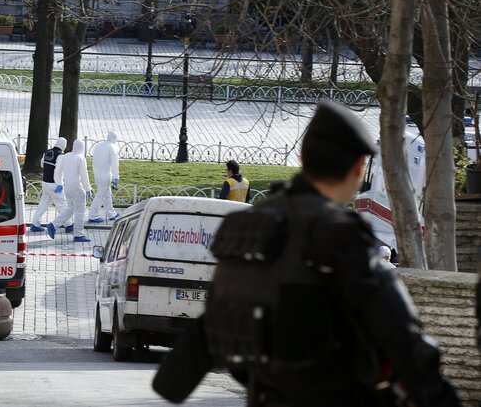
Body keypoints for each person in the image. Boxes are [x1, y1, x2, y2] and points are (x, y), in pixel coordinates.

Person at [153, 102, 460, 407]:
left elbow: (215, 322)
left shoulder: (244, 227)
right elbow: (405, 340)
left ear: (302, 160)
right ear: (358, 167)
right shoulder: (340, 235)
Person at [47, 138, 93, 242]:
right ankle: (78, 234)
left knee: (70, 209)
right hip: (78, 188)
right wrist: (88, 188)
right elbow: (84, 175)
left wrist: (59, 183)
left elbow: (57, 171)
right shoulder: (80, 158)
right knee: (80, 211)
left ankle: (53, 225)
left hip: (67, 187)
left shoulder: (65, 156)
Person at [29, 137, 72, 233]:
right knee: (62, 204)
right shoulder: (60, 155)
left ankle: (35, 224)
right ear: (63, 145)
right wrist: (60, 183)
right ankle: (69, 224)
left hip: (45, 182)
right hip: (55, 184)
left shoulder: (47, 152)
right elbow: (59, 171)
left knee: (43, 204)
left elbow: (42, 165)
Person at [88, 131, 120, 223]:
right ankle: (93, 215)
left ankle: (111, 213)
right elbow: (114, 163)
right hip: (106, 174)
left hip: (97, 173)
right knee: (100, 195)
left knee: (107, 194)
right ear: (114, 139)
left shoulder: (99, 145)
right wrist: (116, 176)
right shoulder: (113, 147)